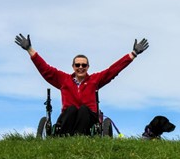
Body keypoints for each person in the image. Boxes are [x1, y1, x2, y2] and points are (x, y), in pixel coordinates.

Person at [15, 33, 149, 136]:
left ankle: (80, 137)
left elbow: (112, 71)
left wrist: (133, 54)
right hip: (68, 118)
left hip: (88, 119)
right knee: (72, 109)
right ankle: (63, 136)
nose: (80, 67)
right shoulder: (63, 79)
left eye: (83, 65)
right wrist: (29, 49)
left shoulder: (95, 80)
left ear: (88, 67)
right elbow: (45, 70)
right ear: (73, 66)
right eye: (77, 65)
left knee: (84, 109)